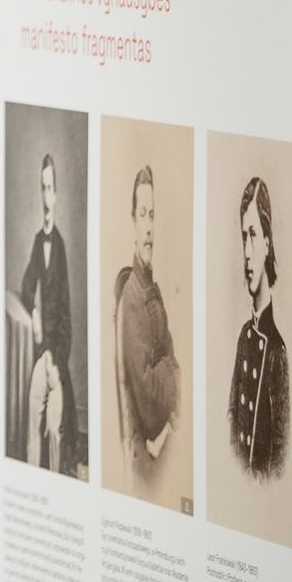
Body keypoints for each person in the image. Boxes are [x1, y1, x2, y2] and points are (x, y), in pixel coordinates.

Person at [114, 165, 180, 482]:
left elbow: (171, 355)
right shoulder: (131, 296)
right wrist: (169, 368)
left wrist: (165, 366)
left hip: (161, 442)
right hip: (144, 460)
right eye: (143, 215)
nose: (149, 227)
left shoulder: (154, 290)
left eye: (152, 215)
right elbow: (151, 406)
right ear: (133, 222)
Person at [228, 176, 290, 478]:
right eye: (244, 237)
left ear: (267, 242)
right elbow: (231, 417)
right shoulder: (244, 337)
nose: (247, 251)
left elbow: (280, 458)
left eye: (253, 234)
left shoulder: (277, 351)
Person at [17, 153, 72, 471]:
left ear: (57, 194)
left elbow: (65, 313)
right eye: (42, 187)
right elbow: (27, 286)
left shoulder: (59, 246)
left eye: (50, 188)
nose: (46, 195)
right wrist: (34, 312)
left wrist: (56, 358)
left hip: (58, 358)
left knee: (54, 428)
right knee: (31, 418)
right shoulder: (39, 241)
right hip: (42, 354)